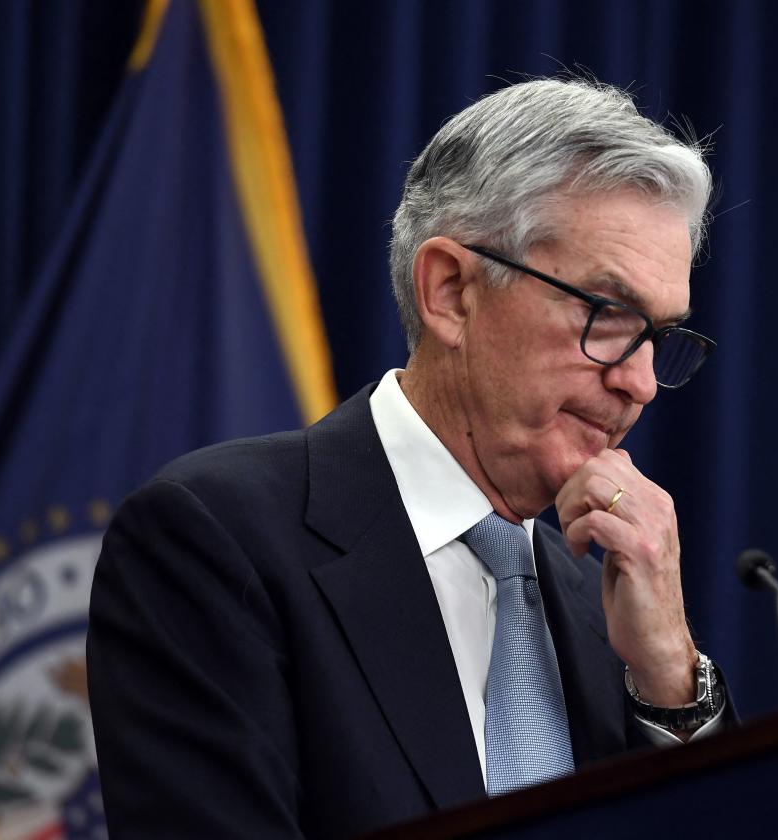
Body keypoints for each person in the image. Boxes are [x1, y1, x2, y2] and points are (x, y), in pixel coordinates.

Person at [87, 77, 730, 839]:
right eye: (608, 314)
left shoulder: (610, 621)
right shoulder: (217, 544)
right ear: (451, 291)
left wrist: (668, 678)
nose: (641, 382)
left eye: (659, 335)